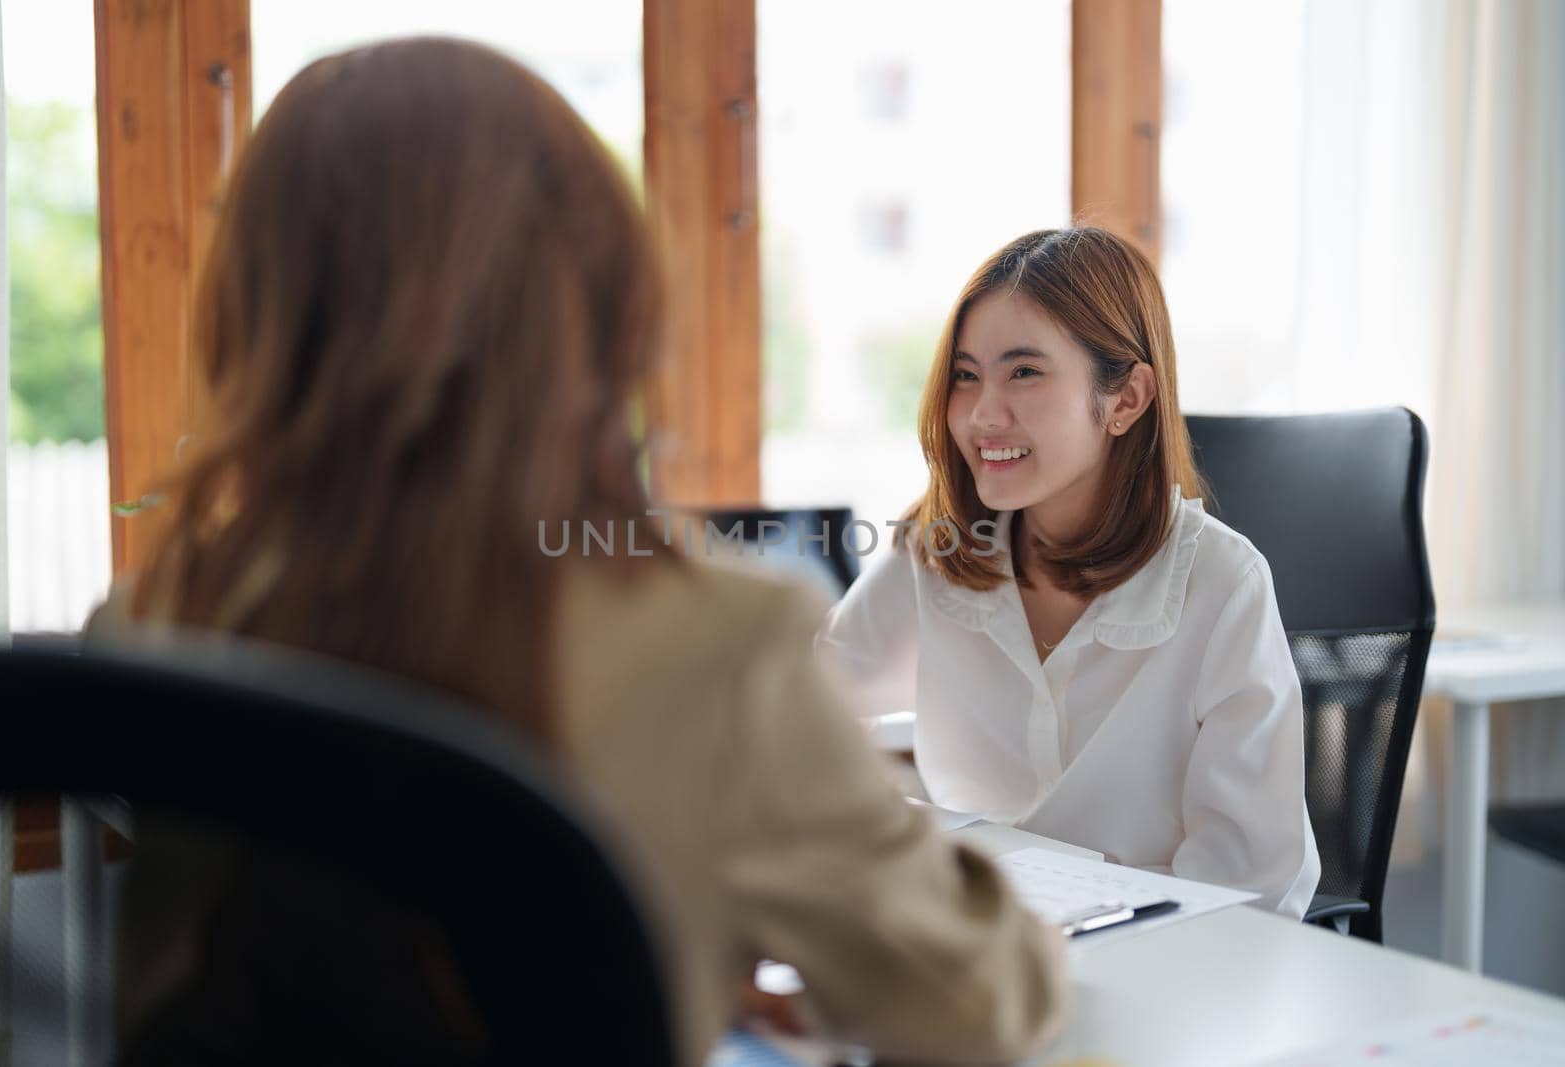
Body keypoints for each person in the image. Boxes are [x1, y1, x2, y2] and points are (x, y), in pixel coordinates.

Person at [99, 37, 1067, 1066]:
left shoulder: (151, 619)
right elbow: (973, 1004)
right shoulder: (717, 646)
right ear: (595, 301)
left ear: (257, 308)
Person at [818, 228, 1320, 918]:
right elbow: (796, 703)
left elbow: (1252, 884)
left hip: (1162, 966)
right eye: (967, 375)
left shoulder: (1222, 584)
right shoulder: (934, 553)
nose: (982, 414)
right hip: (977, 949)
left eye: (1023, 371)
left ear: (1126, 399)